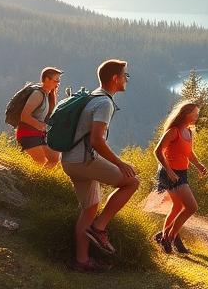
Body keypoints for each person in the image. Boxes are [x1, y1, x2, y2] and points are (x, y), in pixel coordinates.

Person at [60, 59, 139, 272]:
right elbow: (96, 140)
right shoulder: (104, 103)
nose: (126, 80)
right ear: (115, 78)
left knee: (89, 208)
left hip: (70, 159)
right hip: (84, 160)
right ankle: (99, 227)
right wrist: (120, 163)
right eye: (125, 76)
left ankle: (81, 261)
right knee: (132, 182)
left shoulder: (93, 96)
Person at [152, 101, 208, 254]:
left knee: (177, 207)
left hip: (182, 172)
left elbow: (189, 153)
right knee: (191, 207)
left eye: (197, 113)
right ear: (185, 114)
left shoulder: (189, 132)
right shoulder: (173, 131)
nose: (197, 116)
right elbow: (157, 151)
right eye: (194, 114)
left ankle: (165, 236)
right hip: (171, 173)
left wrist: (199, 166)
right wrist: (169, 171)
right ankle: (169, 237)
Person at [16, 67, 63, 168]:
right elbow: (24, 116)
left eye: (59, 80)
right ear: (46, 79)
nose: (58, 83)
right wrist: (41, 126)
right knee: (40, 162)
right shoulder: (37, 94)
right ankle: (34, 181)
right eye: (56, 80)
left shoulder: (48, 95)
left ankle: (41, 179)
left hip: (39, 135)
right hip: (27, 134)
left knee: (54, 158)